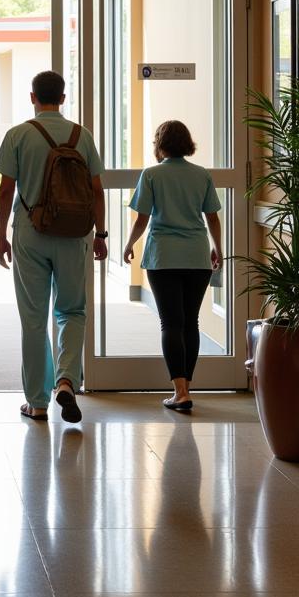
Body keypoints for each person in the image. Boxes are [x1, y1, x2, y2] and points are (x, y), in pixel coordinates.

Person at [0, 71, 107, 424]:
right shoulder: (81, 135)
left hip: (31, 233)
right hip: (75, 235)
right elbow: (97, 190)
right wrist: (100, 234)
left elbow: (5, 190)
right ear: (63, 96)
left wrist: (1, 235)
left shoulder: (19, 135)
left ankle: (37, 402)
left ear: (32, 97)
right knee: (72, 310)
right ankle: (67, 382)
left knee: (33, 317)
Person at [123, 120, 223, 413]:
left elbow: (142, 218)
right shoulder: (201, 175)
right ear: (187, 143)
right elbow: (212, 218)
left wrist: (129, 244)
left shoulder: (152, 175)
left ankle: (179, 391)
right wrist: (218, 248)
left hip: (163, 257)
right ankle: (186, 389)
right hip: (196, 256)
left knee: (171, 323)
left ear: (160, 144)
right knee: (190, 322)